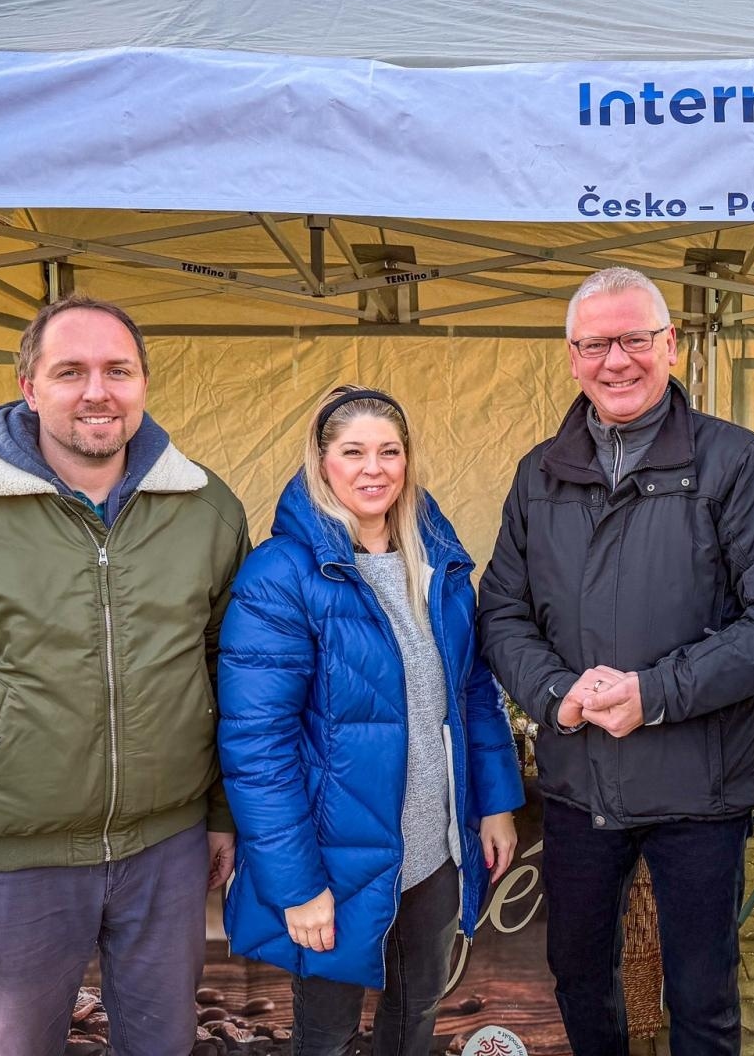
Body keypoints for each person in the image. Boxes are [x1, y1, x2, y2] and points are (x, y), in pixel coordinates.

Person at [0, 295, 250, 1056]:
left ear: (143, 383)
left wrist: (222, 811)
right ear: (29, 388)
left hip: (166, 851)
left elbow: (231, 676)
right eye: (71, 372)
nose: (98, 391)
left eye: (118, 371)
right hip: (13, 864)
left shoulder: (207, 510)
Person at [480, 266, 754, 1056]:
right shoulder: (539, 474)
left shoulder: (737, 463)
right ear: (571, 357)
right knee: (578, 976)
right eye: (595, 344)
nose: (617, 361)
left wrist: (657, 692)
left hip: (700, 790)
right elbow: (501, 610)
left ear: (671, 346)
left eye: (635, 339)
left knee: (701, 994)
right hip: (579, 786)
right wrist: (554, 690)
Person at [216, 385, 524, 1056]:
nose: (373, 469)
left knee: (416, 1015)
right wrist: (298, 885)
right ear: (321, 461)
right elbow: (257, 747)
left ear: (408, 460)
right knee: (326, 1033)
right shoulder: (281, 574)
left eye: (389, 451)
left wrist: (495, 805)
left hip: (434, 850)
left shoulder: (434, 557)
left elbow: (472, 690)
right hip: (334, 860)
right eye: (352, 452)